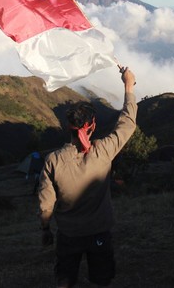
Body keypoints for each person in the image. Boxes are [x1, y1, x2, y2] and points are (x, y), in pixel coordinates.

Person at [38, 66, 137, 288]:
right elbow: (127, 123)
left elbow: (46, 204)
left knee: (65, 278)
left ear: (69, 128)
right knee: (102, 279)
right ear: (92, 126)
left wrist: (46, 230)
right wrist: (128, 84)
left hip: (68, 234)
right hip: (99, 231)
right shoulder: (104, 151)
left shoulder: (53, 160)